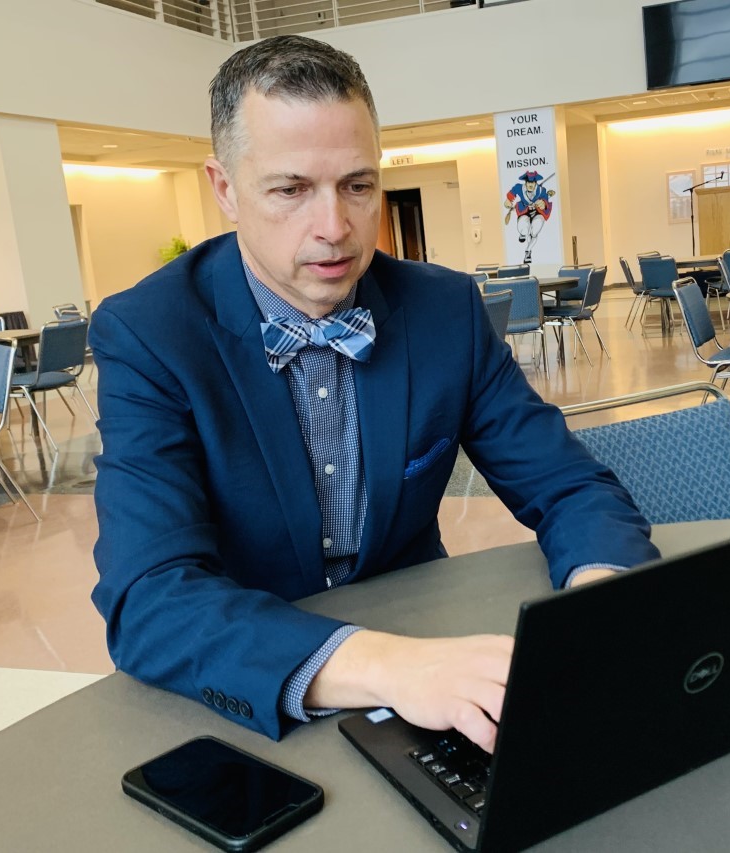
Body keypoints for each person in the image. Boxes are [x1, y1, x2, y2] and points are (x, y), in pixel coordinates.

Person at [89, 35, 657, 753]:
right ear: (225, 187)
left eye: (358, 185)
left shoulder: (445, 311)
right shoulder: (149, 333)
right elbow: (149, 599)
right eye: (291, 189)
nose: (334, 228)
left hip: (431, 680)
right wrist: (388, 664)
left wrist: (597, 599)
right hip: (252, 701)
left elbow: (569, 485)